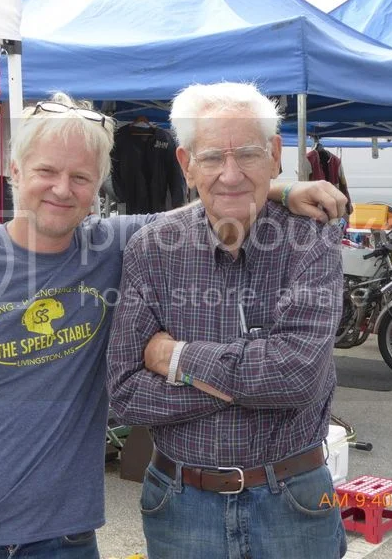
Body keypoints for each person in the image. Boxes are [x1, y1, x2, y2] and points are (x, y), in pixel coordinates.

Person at [0, 92, 349, 558]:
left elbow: (220, 192)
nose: (62, 189)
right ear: (14, 169)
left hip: (67, 537)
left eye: (80, 177)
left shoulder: (114, 244)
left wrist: (280, 189)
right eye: (46, 171)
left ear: (98, 186)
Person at [107, 82, 347, 559]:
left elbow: (296, 377)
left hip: (293, 502)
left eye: (249, 155)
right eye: (212, 157)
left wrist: (176, 359)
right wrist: (256, 384)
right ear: (186, 164)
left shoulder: (311, 239)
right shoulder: (152, 248)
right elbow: (126, 393)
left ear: (275, 156)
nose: (230, 174)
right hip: (181, 506)